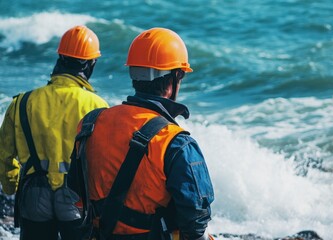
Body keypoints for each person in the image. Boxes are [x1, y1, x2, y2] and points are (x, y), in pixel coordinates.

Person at [67, 27, 215, 240]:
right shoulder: (175, 142)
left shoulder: (90, 123)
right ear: (177, 75)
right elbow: (196, 219)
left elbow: (75, 187)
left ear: (133, 73)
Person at [0, 25, 109, 240]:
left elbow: (4, 153)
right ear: (90, 64)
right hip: (76, 199)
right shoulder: (98, 106)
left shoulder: (23, 102)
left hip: (34, 197)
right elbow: (104, 162)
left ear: (60, 57)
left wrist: (10, 186)